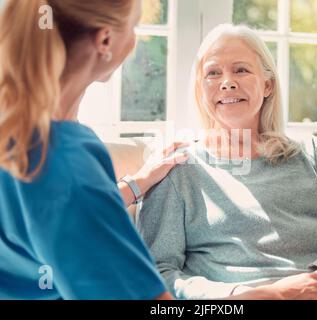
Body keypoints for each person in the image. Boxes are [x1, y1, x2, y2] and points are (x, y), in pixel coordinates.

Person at [137, 24, 317, 300]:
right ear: (201, 89)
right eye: (213, 73)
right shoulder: (176, 168)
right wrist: (257, 295)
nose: (227, 82)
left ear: (268, 85)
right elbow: (157, 272)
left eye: (241, 70)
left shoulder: (310, 151)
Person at [0, 0, 188, 299]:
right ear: (105, 40)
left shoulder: (19, 135)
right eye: (134, 27)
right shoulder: (65, 160)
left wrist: (138, 183)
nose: (135, 40)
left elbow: (53, 215)